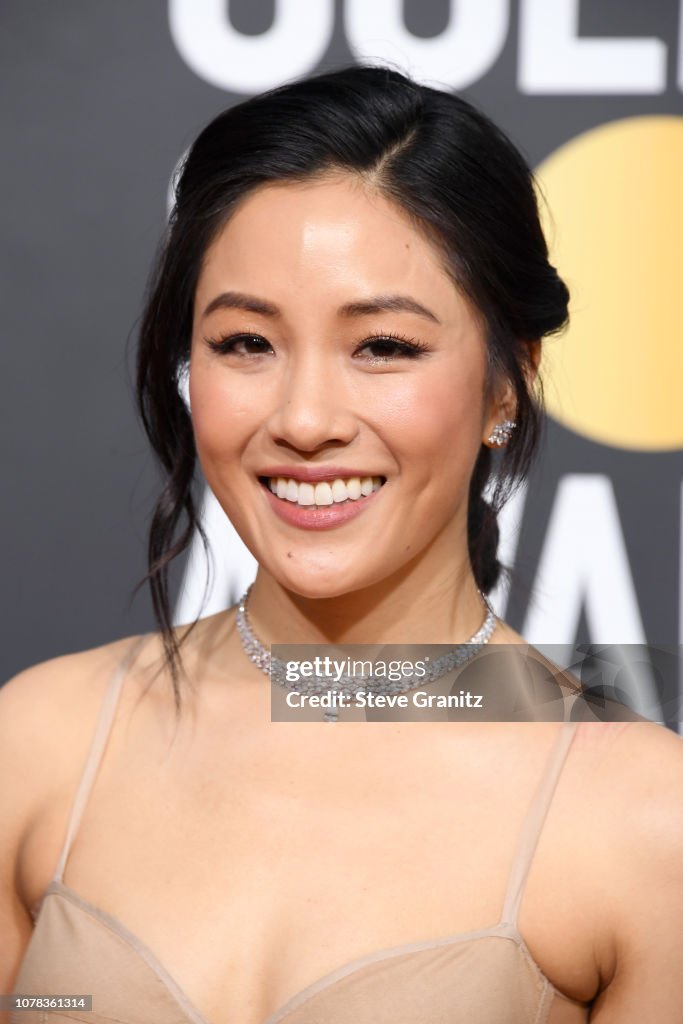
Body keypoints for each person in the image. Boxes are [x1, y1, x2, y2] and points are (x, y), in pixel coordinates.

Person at [1, 65, 682, 1024]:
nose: (305, 419)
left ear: (507, 382)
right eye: (245, 343)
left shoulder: (645, 823)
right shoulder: (40, 743)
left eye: (384, 347)